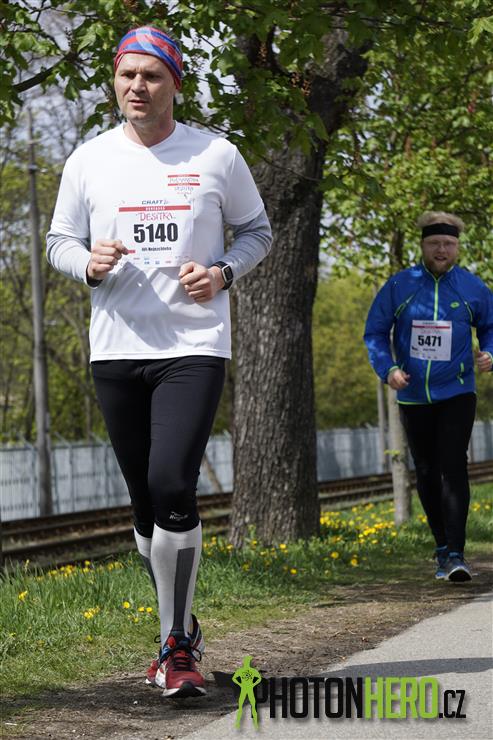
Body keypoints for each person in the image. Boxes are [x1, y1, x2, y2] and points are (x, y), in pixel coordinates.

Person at [47, 25, 272, 698]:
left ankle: (175, 649)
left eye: (151, 75)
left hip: (192, 345)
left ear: (175, 82)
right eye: (127, 75)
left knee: (173, 482)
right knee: (146, 505)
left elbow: (257, 231)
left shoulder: (216, 155)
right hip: (117, 348)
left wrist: (223, 272)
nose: (137, 87)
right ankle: (180, 627)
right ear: (114, 82)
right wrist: (87, 264)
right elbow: (60, 240)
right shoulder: (88, 159)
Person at [364, 212, 493, 582]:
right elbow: (375, 332)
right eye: (435, 243)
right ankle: (441, 545)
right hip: (413, 394)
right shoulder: (401, 285)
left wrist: (489, 352)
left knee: (453, 465)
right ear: (422, 245)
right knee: (425, 470)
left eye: (448, 244)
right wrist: (388, 369)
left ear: (457, 248)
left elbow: (491, 326)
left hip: (457, 390)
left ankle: (456, 554)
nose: (441, 250)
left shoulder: (471, 287)